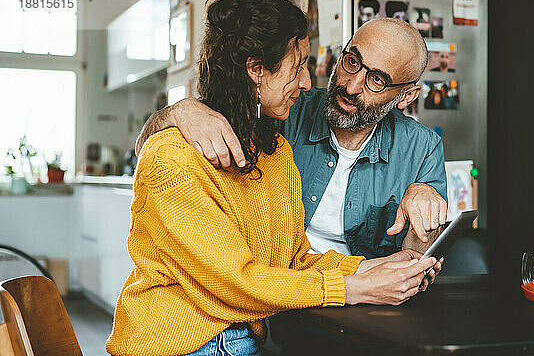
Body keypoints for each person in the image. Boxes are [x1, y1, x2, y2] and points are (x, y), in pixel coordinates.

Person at [107, 0, 441, 356]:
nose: (308, 82)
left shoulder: (276, 151)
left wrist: (371, 268)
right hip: (177, 346)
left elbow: (293, 260)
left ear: (406, 95)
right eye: (298, 67)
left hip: (247, 336)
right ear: (255, 70)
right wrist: (354, 287)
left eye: (376, 79)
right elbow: (238, 279)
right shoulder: (178, 155)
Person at [137, 17, 448, 260]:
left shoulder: (421, 148)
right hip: (284, 301)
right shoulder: (284, 108)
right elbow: (146, 149)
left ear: (407, 96)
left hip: (367, 304)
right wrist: (180, 111)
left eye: (377, 80)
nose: (352, 87)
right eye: (352, 61)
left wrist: (425, 211)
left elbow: (414, 264)